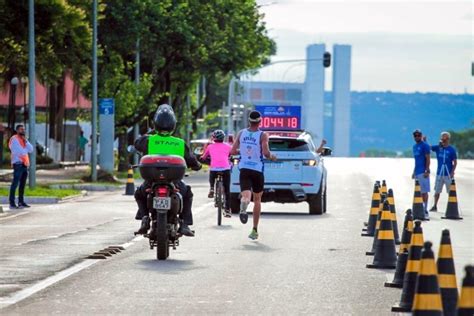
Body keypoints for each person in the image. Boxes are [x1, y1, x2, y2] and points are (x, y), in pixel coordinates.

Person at [133, 104, 202, 237]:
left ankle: (144, 219)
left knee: (139, 193)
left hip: (151, 181)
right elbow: (192, 161)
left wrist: (151, 132)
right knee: (187, 194)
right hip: (174, 182)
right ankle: (184, 224)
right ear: (173, 125)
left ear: (155, 124)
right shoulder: (179, 143)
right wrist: (197, 165)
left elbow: (136, 143)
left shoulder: (149, 140)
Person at [230, 110, 277, 240]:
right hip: (257, 169)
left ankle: (244, 204)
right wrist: (272, 157)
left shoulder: (241, 133)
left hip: (244, 168)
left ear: (249, 121)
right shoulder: (263, 135)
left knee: (246, 195)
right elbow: (266, 152)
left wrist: (244, 151)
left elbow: (233, 150)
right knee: (257, 200)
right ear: (260, 122)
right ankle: (254, 230)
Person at [201, 129, 232, 217]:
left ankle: (211, 188)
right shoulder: (228, 146)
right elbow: (232, 154)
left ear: (214, 138)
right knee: (227, 190)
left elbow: (203, 157)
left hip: (214, 169)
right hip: (225, 169)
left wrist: (202, 157)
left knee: (212, 173)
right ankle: (227, 210)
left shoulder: (210, 147)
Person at [428, 132, 457, 212]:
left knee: (450, 191)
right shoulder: (438, 147)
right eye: (442, 138)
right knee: (437, 190)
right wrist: (425, 141)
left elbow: (455, 162)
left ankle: (452, 206)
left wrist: (452, 172)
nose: (444, 140)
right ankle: (434, 206)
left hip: (448, 174)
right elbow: (429, 147)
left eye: (445, 138)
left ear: (448, 139)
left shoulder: (451, 149)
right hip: (439, 173)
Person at [8, 124, 34, 209]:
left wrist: (26, 141)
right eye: (21, 129)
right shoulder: (14, 139)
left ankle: (21, 202)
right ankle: (12, 203)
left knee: (22, 185)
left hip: (24, 165)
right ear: (17, 130)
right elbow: (18, 151)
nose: (23, 131)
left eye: (24, 129)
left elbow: (31, 149)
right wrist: (25, 150)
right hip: (18, 164)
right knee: (15, 184)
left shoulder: (24, 140)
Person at [412, 129, 431, 220]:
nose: (417, 137)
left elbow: (428, 158)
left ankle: (425, 208)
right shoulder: (415, 146)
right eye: (415, 136)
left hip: (423, 171)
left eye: (418, 135)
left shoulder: (425, 145)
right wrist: (414, 171)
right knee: (418, 192)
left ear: (421, 136)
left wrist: (427, 170)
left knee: (424, 191)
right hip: (417, 171)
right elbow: (416, 161)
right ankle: (420, 208)